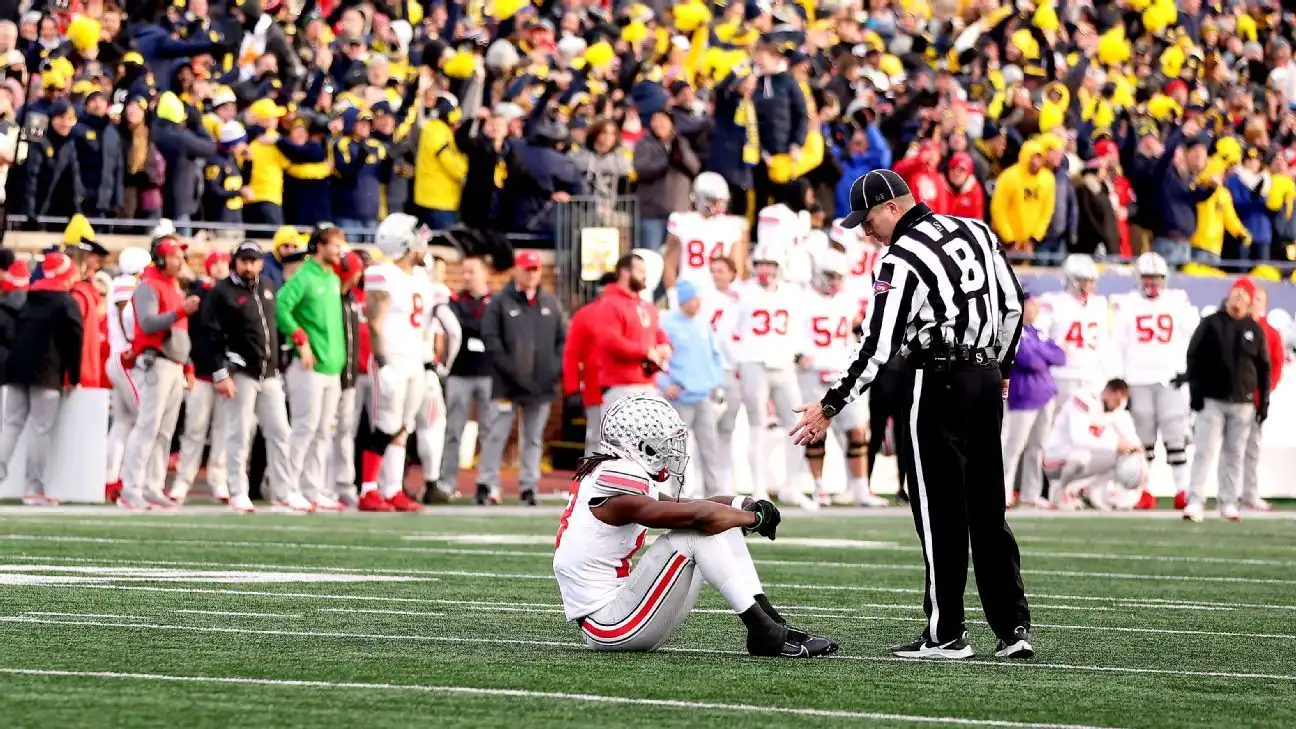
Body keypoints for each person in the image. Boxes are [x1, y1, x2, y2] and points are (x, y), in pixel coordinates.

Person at [789, 169, 1032, 661]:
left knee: (938, 510)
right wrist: (999, 366)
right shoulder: (978, 230)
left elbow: (877, 346)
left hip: (938, 380)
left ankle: (946, 635)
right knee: (988, 508)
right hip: (984, 376)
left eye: (869, 218)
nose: (866, 232)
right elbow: (1012, 305)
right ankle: (1013, 629)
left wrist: (829, 404)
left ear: (893, 207)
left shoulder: (900, 260)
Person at [553, 393, 837, 658]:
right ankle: (766, 633)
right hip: (609, 625)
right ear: (643, 445)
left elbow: (691, 505)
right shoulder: (617, 493)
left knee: (712, 522)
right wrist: (754, 519)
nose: (671, 451)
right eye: (664, 443)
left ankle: (771, 623)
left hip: (623, 611)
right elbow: (698, 517)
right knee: (696, 533)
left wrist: (741, 503)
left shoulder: (613, 474)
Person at [196, 240, 297, 514]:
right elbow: (210, 335)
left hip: (270, 372)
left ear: (261, 263)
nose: (249, 265)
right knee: (239, 433)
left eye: (254, 260)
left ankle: (284, 490)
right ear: (235, 261)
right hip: (240, 370)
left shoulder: (267, 286)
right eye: (245, 260)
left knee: (280, 432)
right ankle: (238, 491)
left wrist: (281, 358)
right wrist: (220, 372)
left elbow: (271, 329)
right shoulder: (222, 292)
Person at [796, 249, 885, 507]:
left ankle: (860, 488)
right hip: (812, 373)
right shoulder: (802, 299)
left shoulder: (846, 301)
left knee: (857, 432)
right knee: (815, 432)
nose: (834, 281)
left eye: (838, 276)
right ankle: (819, 487)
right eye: (830, 275)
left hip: (843, 373)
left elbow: (861, 330)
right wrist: (800, 355)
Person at [117, 235, 201, 511]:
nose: (181, 261)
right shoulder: (149, 286)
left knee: (165, 433)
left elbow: (180, 333)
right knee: (147, 427)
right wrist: (180, 311)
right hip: (156, 363)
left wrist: (187, 364)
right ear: (162, 259)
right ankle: (131, 488)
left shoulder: (173, 286)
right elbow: (148, 323)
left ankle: (153, 486)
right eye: (176, 256)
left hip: (174, 364)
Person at [358, 213, 434, 513]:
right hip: (392, 359)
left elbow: (423, 324)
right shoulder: (382, 274)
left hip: (414, 358)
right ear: (404, 241)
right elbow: (375, 323)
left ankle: (392, 490)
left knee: (403, 426)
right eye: (417, 235)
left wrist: (427, 361)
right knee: (384, 423)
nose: (423, 241)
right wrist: (382, 362)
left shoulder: (419, 276)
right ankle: (368, 490)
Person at [478, 250, 566, 506]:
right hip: (507, 384)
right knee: (497, 434)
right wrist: (511, 371)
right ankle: (487, 483)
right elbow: (491, 340)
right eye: (527, 269)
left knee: (534, 438)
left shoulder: (551, 304)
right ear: (516, 270)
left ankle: (529, 486)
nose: (532, 274)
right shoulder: (500, 303)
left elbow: (563, 341)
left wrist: (553, 370)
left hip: (540, 385)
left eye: (536, 269)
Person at [1181, 277, 1271, 523]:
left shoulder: (1254, 329)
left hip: (1243, 402)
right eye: (1236, 292)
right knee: (1204, 451)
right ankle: (1195, 500)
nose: (1239, 297)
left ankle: (1229, 501)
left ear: (1251, 301)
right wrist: (1195, 394)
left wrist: (1263, 403)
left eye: (1244, 293)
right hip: (1212, 399)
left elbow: (1264, 368)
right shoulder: (1211, 323)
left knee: (1234, 454)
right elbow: (1194, 357)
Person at [1110, 253, 1196, 508]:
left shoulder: (1177, 301)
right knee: (1143, 441)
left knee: (1175, 438)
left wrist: (1186, 369)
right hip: (1138, 379)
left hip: (1169, 378)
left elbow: (1194, 336)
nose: (1153, 284)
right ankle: (1144, 491)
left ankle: (1182, 490)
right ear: (1139, 278)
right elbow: (1118, 344)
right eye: (1148, 278)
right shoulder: (1127, 305)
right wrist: (1121, 379)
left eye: (1157, 278)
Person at [0, 252, 84, 505]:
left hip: (17, 368)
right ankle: (33, 488)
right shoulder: (66, 303)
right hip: (47, 371)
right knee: (40, 428)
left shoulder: (29, 298)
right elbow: (74, 340)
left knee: (11, 425)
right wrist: (74, 375)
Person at [732, 242, 810, 508]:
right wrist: (738, 360)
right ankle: (758, 487)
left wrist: (799, 351)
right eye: (760, 264)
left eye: (770, 264)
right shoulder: (742, 293)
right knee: (757, 426)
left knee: (797, 423)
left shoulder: (791, 293)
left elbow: (799, 327)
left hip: (784, 365)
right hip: (753, 362)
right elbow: (731, 330)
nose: (764, 270)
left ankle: (792, 485)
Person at [276, 224, 346, 511]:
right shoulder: (305, 275)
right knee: (304, 428)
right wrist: (299, 340)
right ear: (319, 246)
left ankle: (312, 488)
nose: (340, 250)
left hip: (332, 365)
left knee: (322, 432)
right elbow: (281, 306)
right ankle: (288, 487)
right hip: (310, 366)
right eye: (335, 245)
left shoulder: (332, 277)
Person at [1031, 255, 1109, 504]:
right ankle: (1046, 488)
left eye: (1090, 281)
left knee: (1086, 437)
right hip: (1062, 378)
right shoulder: (1053, 303)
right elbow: (1039, 338)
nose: (1087, 287)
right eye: (1082, 281)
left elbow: (1104, 343)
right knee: (1054, 437)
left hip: (1089, 379)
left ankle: (1076, 488)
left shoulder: (1099, 304)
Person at [169, 250, 232, 505]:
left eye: (223, 263)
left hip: (228, 373)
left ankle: (220, 480)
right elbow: (191, 332)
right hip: (204, 372)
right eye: (214, 263)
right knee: (195, 429)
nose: (219, 268)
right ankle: (183, 479)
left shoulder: (234, 294)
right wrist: (189, 364)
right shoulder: (201, 293)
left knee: (223, 430)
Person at [658, 280, 727, 497]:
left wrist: (715, 382)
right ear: (683, 300)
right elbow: (655, 358)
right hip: (680, 398)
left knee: (710, 448)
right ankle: (677, 493)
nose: (697, 304)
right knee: (677, 449)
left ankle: (713, 494)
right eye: (692, 299)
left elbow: (716, 356)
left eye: (698, 299)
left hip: (703, 396)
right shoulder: (667, 325)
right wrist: (664, 384)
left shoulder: (703, 325)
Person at [1001, 290, 1066, 509]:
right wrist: (1043, 354)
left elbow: (1060, 355)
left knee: (1037, 447)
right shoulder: (1011, 331)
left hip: (1045, 395)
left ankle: (1031, 493)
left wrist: (1042, 353)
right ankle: (1004, 492)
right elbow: (1029, 360)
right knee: (1014, 446)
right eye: (1032, 305)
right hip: (1024, 397)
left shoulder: (1036, 332)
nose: (1036, 309)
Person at [1042, 379, 1146, 510]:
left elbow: (1131, 440)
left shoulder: (1115, 407)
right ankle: (1062, 491)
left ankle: (1091, 492)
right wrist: (1115, 445)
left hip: (1079, 458)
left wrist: (1136, 451)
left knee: (1127, 457)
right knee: (1082, 456)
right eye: (1117, 400)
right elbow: (1078, 439)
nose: (1117, 406)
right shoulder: (1083, 401)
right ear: (1108, 392)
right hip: (1057, 459)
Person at [440, 255, 496, 494]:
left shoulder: (496, 302)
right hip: (459, 371)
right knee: (453, 429)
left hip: (489, 373)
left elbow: (491, 329)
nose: (466, 277)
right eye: (464, 272)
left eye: (471, 272)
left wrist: (473, 327)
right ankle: (447, 482)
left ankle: (487, 483)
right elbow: (458, 327)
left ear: (485, 273)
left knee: (490, 431)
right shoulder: (454, 300)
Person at [103, 247, 150, 503]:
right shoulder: (126, 283)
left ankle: (112, 480)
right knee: (144, 418)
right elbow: (126, 314)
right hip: (125, 358)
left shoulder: (120, 281)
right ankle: (129, 479)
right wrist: (134, 344)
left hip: (118, 356)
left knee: (123, 421)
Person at [597, 253, 671, 408]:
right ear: (625, 272)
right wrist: (645, 351)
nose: (645, 276)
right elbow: (611, 341)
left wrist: (665, 346)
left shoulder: (647, 306)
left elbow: (657, 332)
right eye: (640, 271)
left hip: (648, 383)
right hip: (620, 385)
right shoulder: (609, 304)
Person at [662, 172, 748, 294]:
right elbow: (670, 263)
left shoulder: (731, 224)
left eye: (721, 201)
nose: (719, 205)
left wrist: (733, 292)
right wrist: (672, 294)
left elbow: (736, 266)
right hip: (689, 290)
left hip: (718, 291)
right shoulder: (682, 221)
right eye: (714, 200)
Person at [562, 273, 614, 457]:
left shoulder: (634, 310)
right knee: (595, 435)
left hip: (624, 383)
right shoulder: (586, 315)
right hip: (596, 385)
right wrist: (572, 388)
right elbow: (572, 354)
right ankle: (592, 480)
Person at [1242, 283, 1283, 512]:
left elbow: (1275, 365)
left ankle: (1250, 493)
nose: (1253, 302)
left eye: (1258, 299)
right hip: (1233, 397)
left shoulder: (1271, 333)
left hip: (1255, 400)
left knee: (1252, 448)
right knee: (1230, 449)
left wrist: (1265, 391)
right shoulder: (1234, 326)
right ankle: (1228, 493)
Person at [330, 250, 367, 508]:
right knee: (325, 432)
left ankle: (344, 484)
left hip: (350, 376)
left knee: (345, 433)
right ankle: (322, 485)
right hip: (332, 372)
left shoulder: (353, 297)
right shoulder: (330, 297)